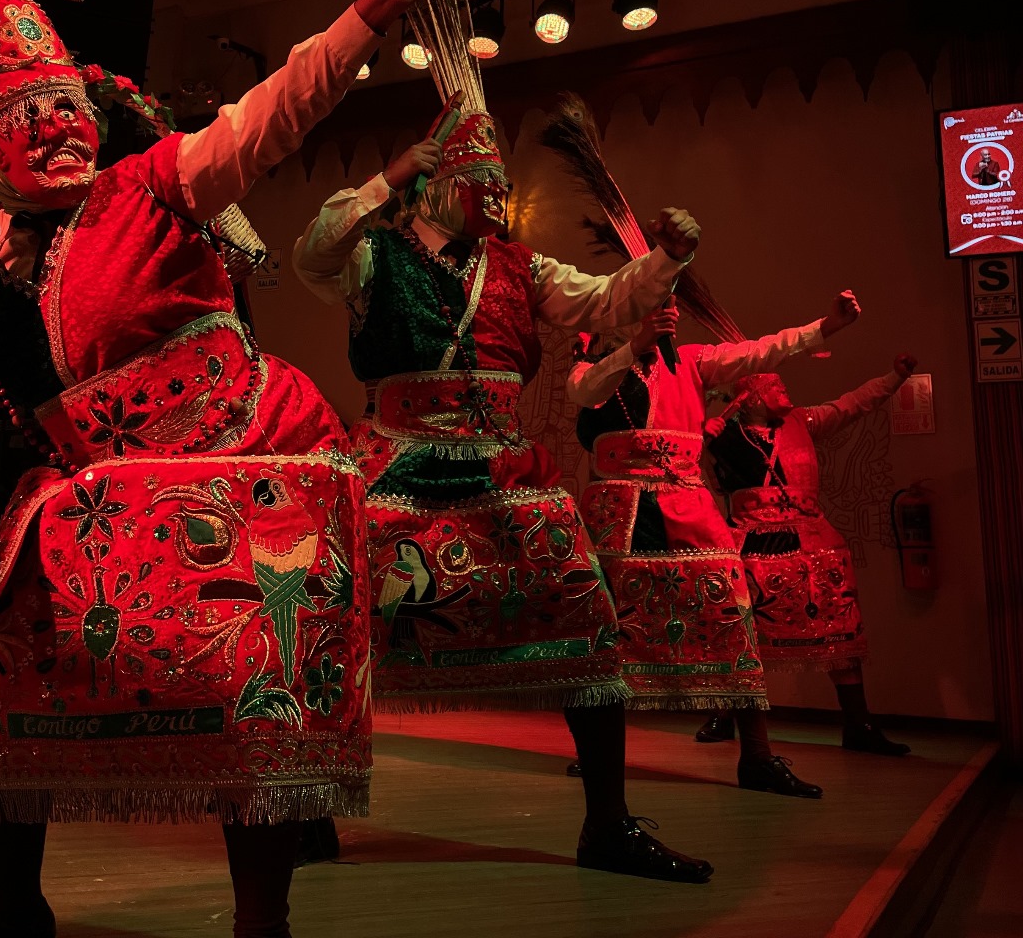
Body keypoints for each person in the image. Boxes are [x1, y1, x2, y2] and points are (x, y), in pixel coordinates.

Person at [0, 0, 427, 938]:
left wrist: (366, 16)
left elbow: (266, 117)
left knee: (255, 676)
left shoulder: (154, 183)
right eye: (29, 116)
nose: (61, 128)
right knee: (5, 657)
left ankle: (261, 919)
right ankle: (14, 907)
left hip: (240, 463)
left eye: (67, 107)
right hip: (108, 509)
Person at [293, 123, 715, 884]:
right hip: (395, 462)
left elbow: (606, 302)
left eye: (502, 182)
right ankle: (305, 808)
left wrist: (667, 259)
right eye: (481, 179)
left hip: (502, 472)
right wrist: (386, 178)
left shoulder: (522, 267)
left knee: (587, 613)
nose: (498, 193)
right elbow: (312, 254)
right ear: (433, 186)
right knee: (328, 618)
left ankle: (609, 824)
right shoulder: (373, 254)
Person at [569, 292, 863, 800]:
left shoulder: (692, 361)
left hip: (687, 506)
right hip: (617, 515)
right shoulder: (592, 367)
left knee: (733, 619)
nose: (670, 312)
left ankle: (758, 756)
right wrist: (633, 345)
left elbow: (760, 350)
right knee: (603, 631)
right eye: (655, 303)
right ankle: (598, 751)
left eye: (670, 304)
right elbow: (584, 390)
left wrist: (824, 327)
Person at [696, 356, 918, 757]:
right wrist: (700, 436)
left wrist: (894, 377)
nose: (785, 391)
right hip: (750, 541)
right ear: (751, 397)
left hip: (813, 540)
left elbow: (852, 404)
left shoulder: (803, 421)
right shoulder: (721, 434)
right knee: (739, 629)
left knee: (839, 622)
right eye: (775, 387)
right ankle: (724, 712)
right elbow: (684, 462)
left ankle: (858, 723)